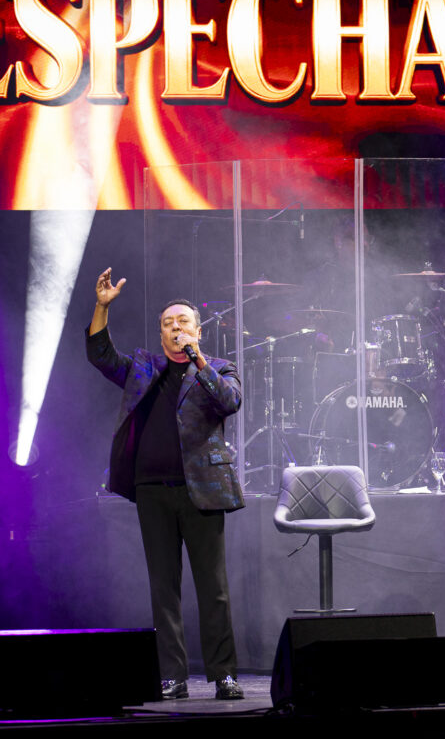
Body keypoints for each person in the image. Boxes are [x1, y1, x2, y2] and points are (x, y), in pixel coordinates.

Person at [86, 268, 245, 701]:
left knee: (213, 588)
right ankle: (172, 676)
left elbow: (229, 401)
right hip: (152, 490)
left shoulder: (219, 368)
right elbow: (101, 356)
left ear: (198, 330)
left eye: (183, 322)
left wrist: (198, 359)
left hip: (203, 490)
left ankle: (224, 674)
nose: (176, 328)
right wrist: (102, 307)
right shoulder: (143, 368)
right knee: (163, 587)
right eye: (168, 324)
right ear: (160, 334)